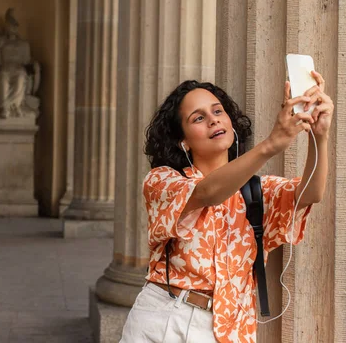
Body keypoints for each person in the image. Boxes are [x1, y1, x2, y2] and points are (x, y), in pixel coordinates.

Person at [119, 72, 333, 343]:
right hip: (166, 320)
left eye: (218, 110)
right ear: (182, 140)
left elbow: (310, 193)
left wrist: (320, 136)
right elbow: (207, 192)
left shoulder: (257, 190)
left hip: (229, 329)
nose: (213, 119)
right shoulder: (163, 181)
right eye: (198, 117)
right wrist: (271, 145)